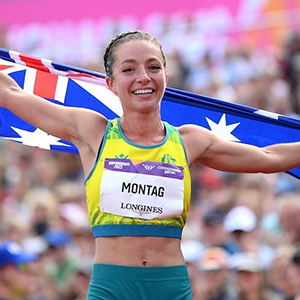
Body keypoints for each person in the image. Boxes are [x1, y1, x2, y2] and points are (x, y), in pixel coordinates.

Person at [1, 30, 300, 299]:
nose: (143, 76)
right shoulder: (93, 131)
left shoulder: (190, 141)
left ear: (166, 78)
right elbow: (11, 93)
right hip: (111, 289)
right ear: (111, 83)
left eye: (153, 67)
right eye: (129, 69)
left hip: (171, 288)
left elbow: (268, 158)